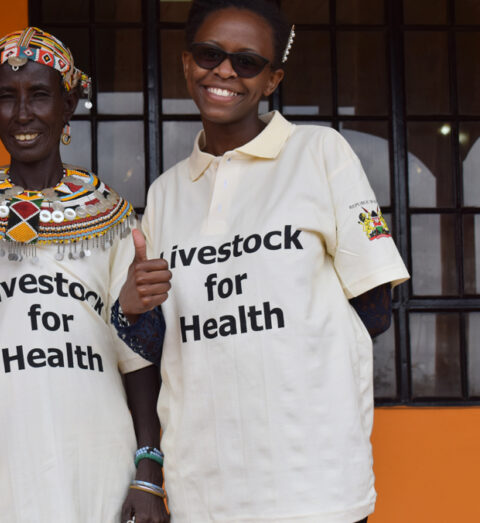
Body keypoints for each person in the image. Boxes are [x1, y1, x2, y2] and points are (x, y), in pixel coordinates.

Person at [115, 1, 410, 521]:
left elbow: (375, 308)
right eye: (210, 55)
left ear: (272, 80)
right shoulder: (166, 194)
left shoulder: (320, 153)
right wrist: (133, 307)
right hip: (204, 490)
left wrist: (294, 370)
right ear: (187, 64)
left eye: (247, 62)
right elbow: (167, 347)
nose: (224, 71)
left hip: (316, 486)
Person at [0, 27, 168, 523]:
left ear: (69, 104)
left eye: (40, 96)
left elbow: (137, 361)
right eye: (6, 98)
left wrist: (148, 470)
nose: (23, 113)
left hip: (97, 467)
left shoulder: (112, 218)